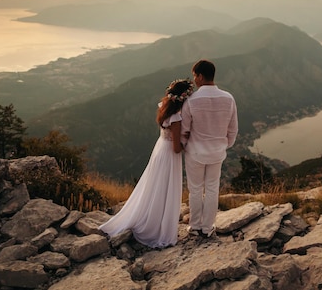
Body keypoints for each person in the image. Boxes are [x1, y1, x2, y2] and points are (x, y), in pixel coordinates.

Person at [99, 78, 195, 248]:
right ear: (183, 98)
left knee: (154, 186)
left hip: (159, 148)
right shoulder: (176, 118)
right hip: (169, 155)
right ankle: (158, 228)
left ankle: (151, 218)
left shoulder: (164, 108)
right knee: (165, 189)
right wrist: (188, 141)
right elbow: (176, 148)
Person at [181, 60, 238, 238]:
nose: (194, 80)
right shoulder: (228, 98)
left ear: (200, 76)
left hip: (196, 152)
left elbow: (184, 130)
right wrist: (224, 145)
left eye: (194, 76)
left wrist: (185, 146)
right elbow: (233, 129)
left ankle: (195, 226)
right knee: (213, 188)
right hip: (217, 152)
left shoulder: (191, 101)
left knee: (196, 189)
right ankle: (208, 227)